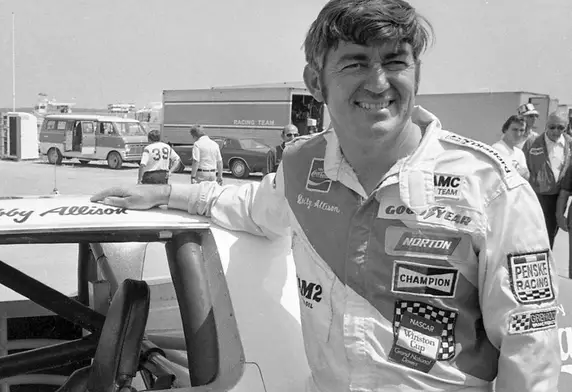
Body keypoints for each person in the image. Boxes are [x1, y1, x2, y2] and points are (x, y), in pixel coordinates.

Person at [92, 0, 560, 390]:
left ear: (417, 75)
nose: (378, 83)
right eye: (356, 62)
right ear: (316, 82)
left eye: (395, 61)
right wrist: (165, 193)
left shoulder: (493, 187)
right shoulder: (300, 165)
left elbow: (530, 346)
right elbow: (251, 210)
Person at [523, 111, 572, 248]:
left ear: (566, 127)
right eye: (552, 127)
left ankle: (546, 260)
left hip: (561, 195)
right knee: (535, 233)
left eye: (560, 127)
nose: (556, 131)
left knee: (550, 233)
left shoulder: (569, 143)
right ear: (546, 126)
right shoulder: (532, 142)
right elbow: (523, 167)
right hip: (539, 195)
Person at [491, 115, 529, 179]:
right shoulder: (497, 148)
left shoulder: (520, 153)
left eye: (522, 130)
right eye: (515, 130)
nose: (518, 134)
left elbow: (526, 176)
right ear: (505, 129)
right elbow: (503, 175)